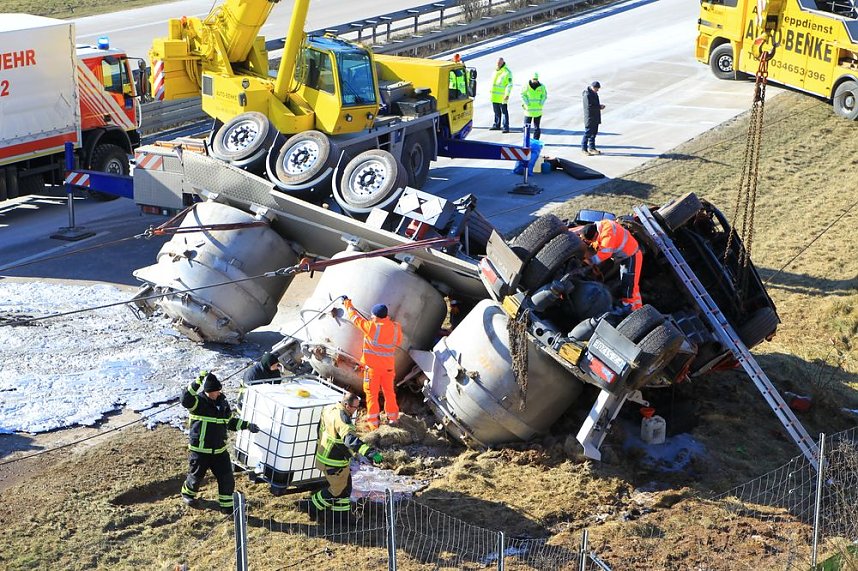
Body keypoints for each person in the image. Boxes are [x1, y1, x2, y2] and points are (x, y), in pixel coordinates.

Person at [180, 371, 259, 514]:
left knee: (226, 478)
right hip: (200, 451)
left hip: (219, 451)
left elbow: (230, 422)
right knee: (196, 476)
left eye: (218, 391)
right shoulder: (197, 403)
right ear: (207, 391)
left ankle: (226, 506)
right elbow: (185, 398)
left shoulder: (223, 403)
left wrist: (247, 425)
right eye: (215, 391)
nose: (218, 393)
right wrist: (199, 379)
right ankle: (187, 494)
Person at [310, 392, 382, 520]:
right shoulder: (343, 419)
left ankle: (340, 517)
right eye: (355, 408)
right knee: (336, 490)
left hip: (326, 455)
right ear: (347, 405)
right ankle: (312, 506)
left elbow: (319, 429)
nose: (356, 411)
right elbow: (350, 440)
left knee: (346, 488)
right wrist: (370, 453)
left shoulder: (329, 409)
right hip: (333, 460)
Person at [341, 297, 403, 429]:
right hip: (388, 369)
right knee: (389, 393)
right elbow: (397, 342)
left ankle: (374, 425)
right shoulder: (396, 328)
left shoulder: (371, 327)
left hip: (373, 370)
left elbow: (354, 318)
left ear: (374, 315)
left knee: (372, 396)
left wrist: (347, 303)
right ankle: (393, 419)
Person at [580, 220, 643, 310]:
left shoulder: (607, 234)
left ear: (595, 235)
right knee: (630, 285)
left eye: (592, 241)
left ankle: (631, 308)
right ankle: (635, 307)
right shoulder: (603, 225)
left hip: (632, 255)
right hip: (626, 255)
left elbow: (605, 253)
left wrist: (589, 261)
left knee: (629, 285)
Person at [582, 81, 606, 155]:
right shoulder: (587, 94)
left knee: (594, 134)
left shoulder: (594, 94)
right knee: (587, 133)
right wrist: (599, 107)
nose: (597, 90)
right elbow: (589, 106)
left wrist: (599, 107)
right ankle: (584, 149)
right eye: (596, 88)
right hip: (590, 117)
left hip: (595, 117)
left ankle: (592, 148)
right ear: (592, 87)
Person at [521, 72, 547, 140]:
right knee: (526, 127)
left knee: (536, 127)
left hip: (538, 111)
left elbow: (544, 95)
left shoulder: (541, 87)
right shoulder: (526, 86)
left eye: (536, 79)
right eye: (533, 79)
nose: (534, 80)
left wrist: (541, 103)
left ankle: (536, 140)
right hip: (528, 111)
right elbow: (523, 94)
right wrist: (527, 103)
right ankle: (526, 140)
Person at [490, 57, 513, 133]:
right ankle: (497, 124)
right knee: (496, 111)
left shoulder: (507, 72)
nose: (498, 64)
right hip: (494, 96)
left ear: (503, 62)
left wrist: (507, 94)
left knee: (504, 112)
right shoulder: (495, 71)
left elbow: (509, 85)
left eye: (499, 63)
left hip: (502, 96)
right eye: (497, 63)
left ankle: (505, 127)